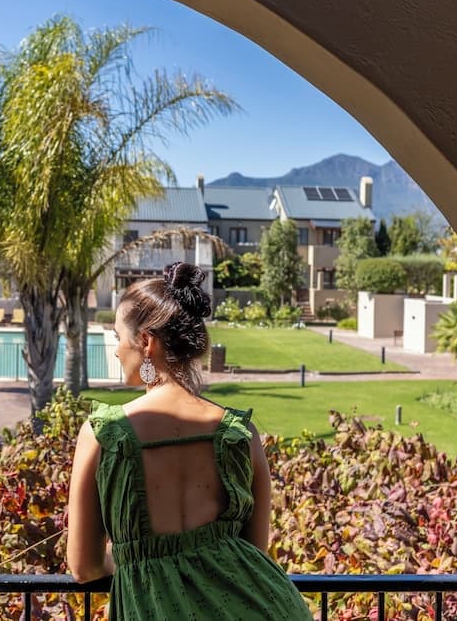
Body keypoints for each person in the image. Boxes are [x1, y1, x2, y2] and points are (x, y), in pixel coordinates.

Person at [66, 262, 311, 620]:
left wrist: (136, 560)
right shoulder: (239, 434)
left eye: (118, 337)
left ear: (146, 342)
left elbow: (84, 568)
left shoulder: (105, 434)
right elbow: (254, 551)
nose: (117, 350)